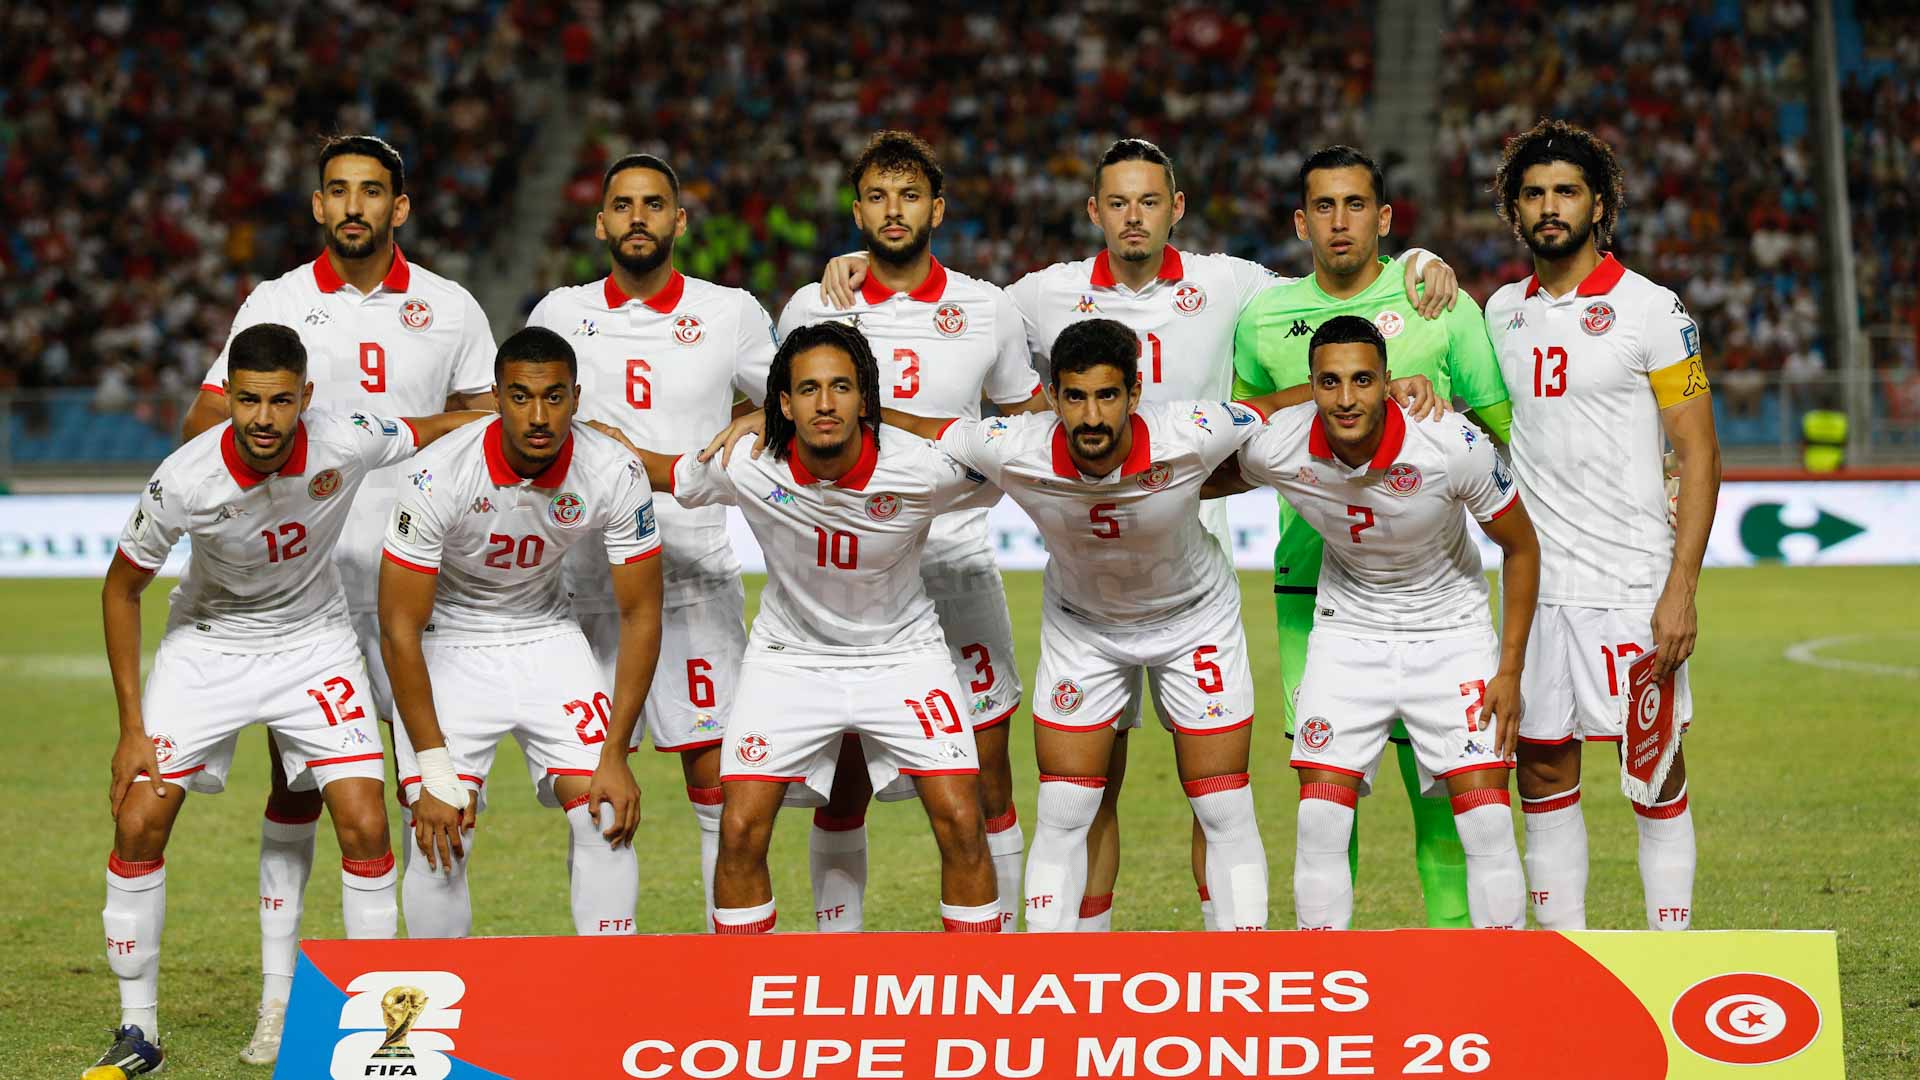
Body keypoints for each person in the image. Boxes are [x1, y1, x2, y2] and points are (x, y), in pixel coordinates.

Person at [819, 136, 1458, 931]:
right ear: (1094, 212)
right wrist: (863, 261)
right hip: (1086, 589)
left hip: (1188, 548)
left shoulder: (1230, 284)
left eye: (1149, 201)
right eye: (1117, 202)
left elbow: (1328, 283)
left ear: (1176, 209)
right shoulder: (1038, 295)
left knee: (1215, 799)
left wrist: (1416, 263)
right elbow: (948, 305)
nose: (1133, 216)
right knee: (1087, 792)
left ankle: (1237, 960)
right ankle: (1079, 957)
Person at [90, 324, 485, 1077]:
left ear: (305, 397)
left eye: (279, 401)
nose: (263, 419)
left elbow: (436, 425)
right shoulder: (184, 478)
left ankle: (375, 1030)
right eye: (247, 401)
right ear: (227, 399)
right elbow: (122, 588)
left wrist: (512, 415)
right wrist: (131, 728)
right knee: (140, 818)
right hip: (209, 645)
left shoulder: (349, 437)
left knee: (367, 822)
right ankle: (137, 1030)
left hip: (314, 642)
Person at [178, 134, 496, 1062]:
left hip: (428, 582)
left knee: (437, 785)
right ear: (318, 206)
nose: (354, 206)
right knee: (299, 792)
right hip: (309, 589)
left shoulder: (451, 307)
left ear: (400, 207)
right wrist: (348, 434)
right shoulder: (275, 302)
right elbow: (205, 420)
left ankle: (423, 1006)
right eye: (338, 192)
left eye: (373, 192)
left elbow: (487, 425)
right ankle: (280, 1004)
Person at [874, 318, 1287, 932]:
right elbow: (922, 427)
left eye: (1107, 395)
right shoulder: (1015, 443)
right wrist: (775, 421)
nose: (1091, 416)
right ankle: (1054, 969)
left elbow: (1278, 404)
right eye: (1074, 397)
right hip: (1083, 632)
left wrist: (1393, 388)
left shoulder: (1193, 431)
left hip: (1195, 622)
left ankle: (1243, 965)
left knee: (1222, 802)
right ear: (1051, 398)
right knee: (1066, 806)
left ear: (1136, 393)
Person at [630, 321, 1004, 934]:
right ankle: (745, 1003)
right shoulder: (746, 462)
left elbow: (1016, 460)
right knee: (741, 827)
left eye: (840, 388)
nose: (825, 404)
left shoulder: (924, 468)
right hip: (790, 659)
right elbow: (665, 473)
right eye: (807, 390)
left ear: (865, 400)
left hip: (903, 655)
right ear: (782, 403)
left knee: (963, 820)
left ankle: (973, 995)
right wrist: (594, 440)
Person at [1231, 145, 1515, 928]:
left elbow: (1498, 426)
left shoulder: (1437, 301)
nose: (1340, 221)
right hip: (1313, 589)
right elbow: (1245, 435)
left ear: (1385, 218)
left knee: (1446, 796)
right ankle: (1333, 974)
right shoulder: (1262, 317)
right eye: (1323, 206)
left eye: (1356, 204)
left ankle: (1462, 963)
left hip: (1433, 590)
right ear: (1300, 221)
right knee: (1328, 797)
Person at [776, 131, 1043, 932]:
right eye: (879, 197)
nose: (895, 211)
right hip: (850, 567)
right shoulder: (817, 305)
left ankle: (1001, 956)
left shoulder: (987, 306)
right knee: (846, 771)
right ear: (857, 210)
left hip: (955, 558)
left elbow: (1023, 421)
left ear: (938, 207)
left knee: (986, 773)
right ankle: (839, 957)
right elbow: (777, 423)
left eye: (910, 195)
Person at [1482, 119, 1721, 931]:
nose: (1551, 207)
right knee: (1542, 772)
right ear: (1515, 209)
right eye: (1535, 193)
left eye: (1567, 191)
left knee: (1653, 772)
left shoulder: (1654, 309)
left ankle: (1670, 954)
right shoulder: (1500, 312)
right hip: (1539, 592)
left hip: (1630, 585)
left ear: (1599, 203)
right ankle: (1566, 964)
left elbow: (1699, 454)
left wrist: (1680, 588)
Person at [526, 152, 775, 929]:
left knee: (720, 791)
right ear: (601, 223)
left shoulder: (730, 310)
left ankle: (724, 982)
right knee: (593, 791)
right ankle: (611, 982)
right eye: (623, 205)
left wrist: (754, 419)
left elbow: (793, 401)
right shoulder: (559, 314)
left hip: (693, 572)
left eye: (654, 204)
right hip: (589, 585)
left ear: (679, 221)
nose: (639, 217)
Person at [377, 327, 664, 940]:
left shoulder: (613, 468)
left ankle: (609, 995)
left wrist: (615, 754)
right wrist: (432, 768)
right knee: (441, 821)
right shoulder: (435, 475)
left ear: (577, 397)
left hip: (546, 634)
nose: (539, 415)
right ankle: (436, 1009)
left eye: (555, 397)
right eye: (521, 396)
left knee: (606, 808)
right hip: (448, 641)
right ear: (497, 398)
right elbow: (399, 625)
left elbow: (642, 613)